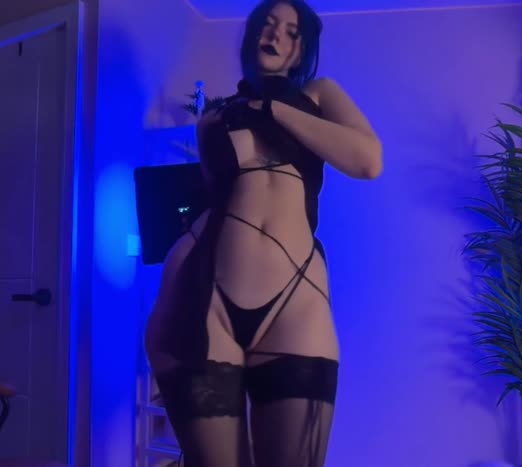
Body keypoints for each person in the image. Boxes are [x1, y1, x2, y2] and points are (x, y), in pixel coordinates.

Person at [145, 1, 382, 466]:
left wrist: (272, 109)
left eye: (291, 31)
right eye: (268, 24)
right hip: (206, 298)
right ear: (252, 33)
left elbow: (368, 161)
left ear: (301, 51)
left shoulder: (318, 95)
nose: (276, 35)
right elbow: (215, 202)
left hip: (295, 299)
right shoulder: (212, 119)